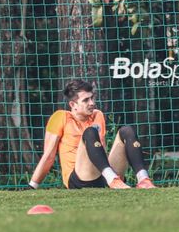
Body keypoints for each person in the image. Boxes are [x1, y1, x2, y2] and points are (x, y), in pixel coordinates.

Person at [28, 79, 156, 190]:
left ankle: (143, 179)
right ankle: (112, 180)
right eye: (86, 100)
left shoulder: (97, 115)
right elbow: (49, 156)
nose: (92, 103)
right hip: (79, 178)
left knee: (127, 130)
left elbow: (102, 147)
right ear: (73, 105)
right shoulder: (60, 117)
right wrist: (33, 185)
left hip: (103, 174)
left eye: (92, 98)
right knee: (90, 132)